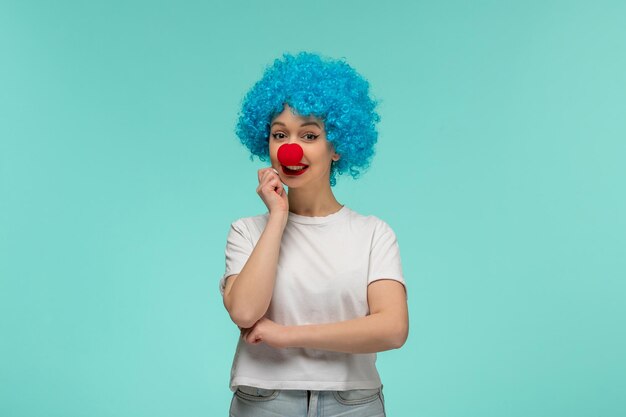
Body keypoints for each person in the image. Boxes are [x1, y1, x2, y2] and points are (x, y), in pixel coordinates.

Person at [220, 51, 409, 417]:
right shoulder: (246, 231)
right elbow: (245, 311)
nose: (292, 147)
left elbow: (392, 328)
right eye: (280, 134)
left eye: (309, 134)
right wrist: (278, 217)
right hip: (264, 401)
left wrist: (285, 336)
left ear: (336, 146)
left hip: (353, 403)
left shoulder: (373, 234)